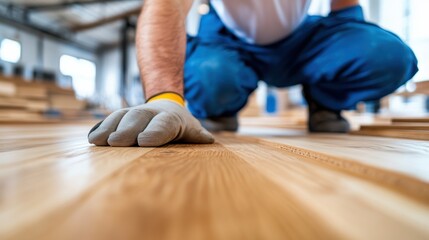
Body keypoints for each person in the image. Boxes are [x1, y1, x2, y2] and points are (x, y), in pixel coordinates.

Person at [88, 0, 418, 147]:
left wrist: (348, 53)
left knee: (388, 57)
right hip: (226, 42)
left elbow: (344, 7)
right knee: (210, 76)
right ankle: (219, 109)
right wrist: (165, 97)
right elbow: (167, 4)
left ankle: (325, 103)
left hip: (302, 41)